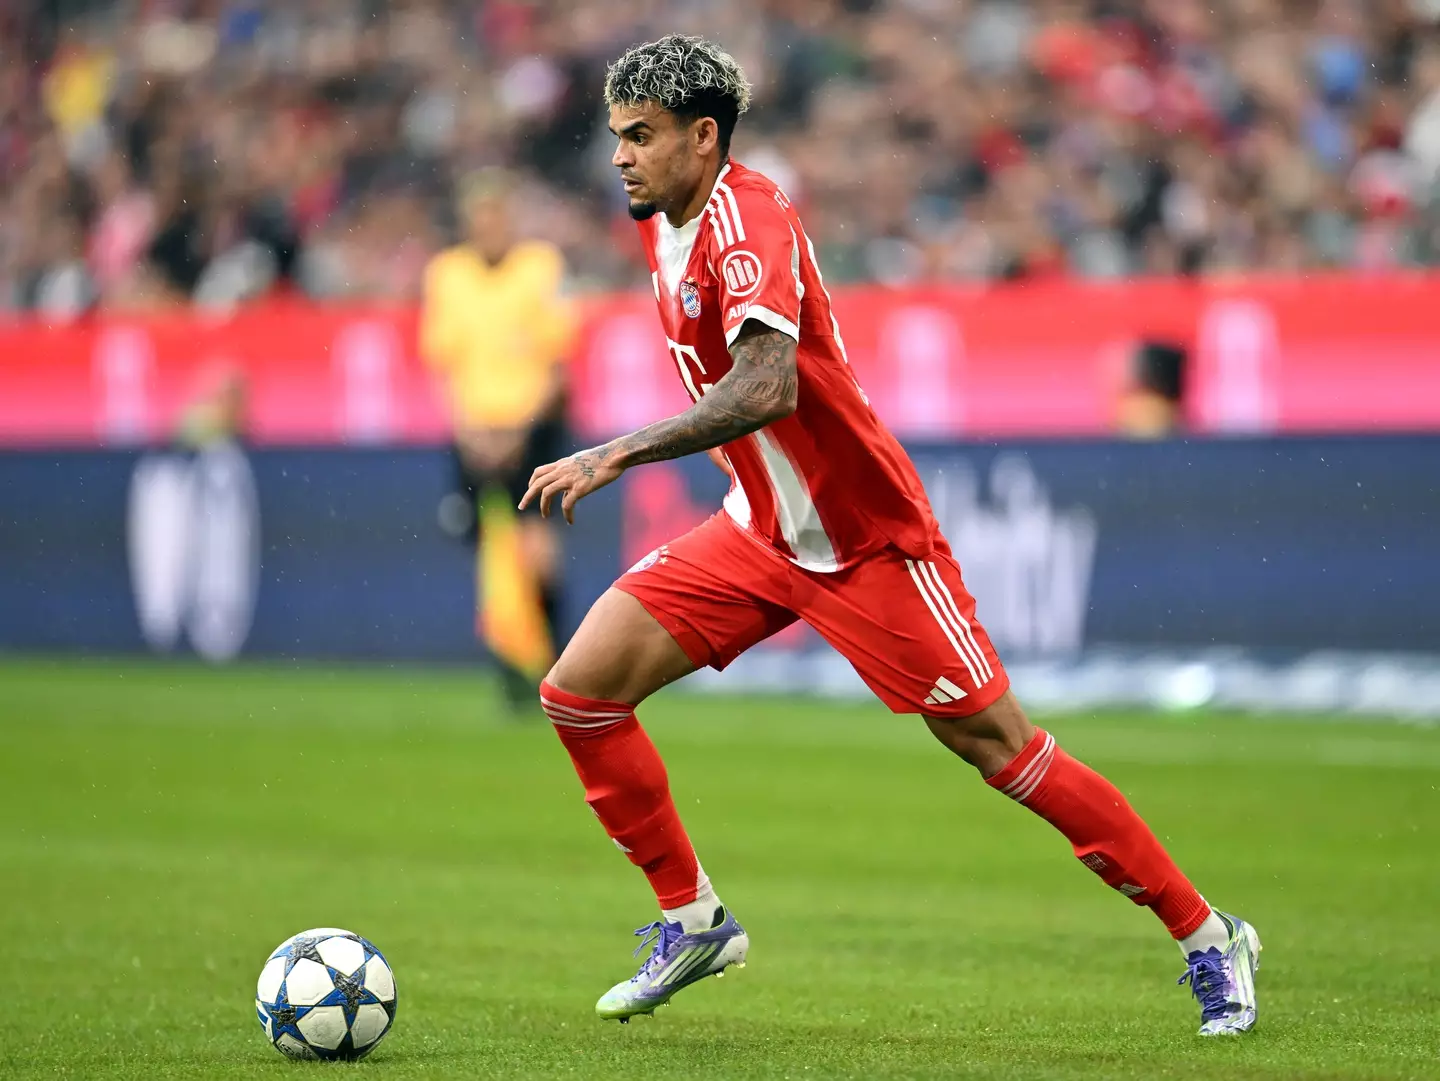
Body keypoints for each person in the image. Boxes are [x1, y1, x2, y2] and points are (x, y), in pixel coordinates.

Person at [521, 36, 1261, 1036]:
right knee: (581, 693)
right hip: (760, 532)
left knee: (1004, 749)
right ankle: (692, 917)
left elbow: (768, 383)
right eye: (616, 137)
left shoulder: (749, 218)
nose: (621, 156)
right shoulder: (666, 226)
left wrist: (622, 451)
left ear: (704, 137)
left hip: (866, 542)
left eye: (641, 137)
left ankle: (1210, 933)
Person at [421, 168, 574, 708]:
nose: (488, 226)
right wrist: (469, 430)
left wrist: (519, 430)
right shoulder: (448, 274)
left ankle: (555, 666)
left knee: (538, 553)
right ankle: (513, 668)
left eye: (496, 215)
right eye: (479, 217)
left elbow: (558, 364)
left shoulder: (540, 267)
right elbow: (445, 365)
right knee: (496, 556)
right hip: (476, 433)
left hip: (532, 431)